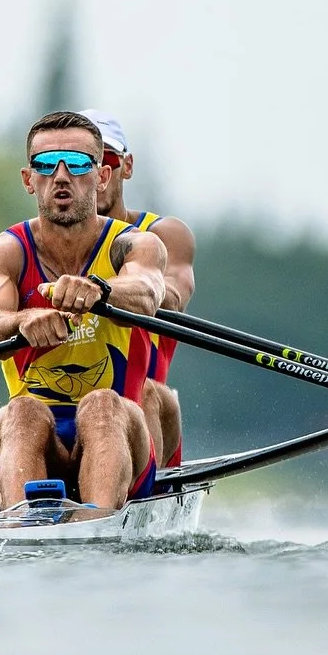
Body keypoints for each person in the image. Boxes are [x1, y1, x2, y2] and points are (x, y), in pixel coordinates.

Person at [0, 111, 168, 515]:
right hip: (33, 436)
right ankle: (22, 526)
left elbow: (147, 294)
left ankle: (96, 520)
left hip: (120, 430)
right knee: (21, 411)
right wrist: (22, 321)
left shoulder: (136, 245)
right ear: (29, 180)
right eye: (45, 164)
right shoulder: (4, 253)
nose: (61, 176)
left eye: (77, 163)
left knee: (102, 404)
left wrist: (100, 290)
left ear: (102, 177)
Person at [81, 109, 196, 471]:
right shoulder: (37, 246)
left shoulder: (165, 235)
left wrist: (115, 290)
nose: (95, 175)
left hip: (146, 414)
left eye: (106, 160)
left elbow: (172, 298)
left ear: (126, 166)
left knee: (145, 392)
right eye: (81, 163)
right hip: (71, 416)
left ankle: (138, 483)